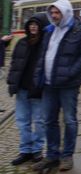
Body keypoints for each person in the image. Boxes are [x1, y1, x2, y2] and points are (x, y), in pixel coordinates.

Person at [32, 0, 81, 172]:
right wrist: (38, 75)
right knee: (49, 120)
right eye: (52, 12)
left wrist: (69, 73)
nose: (54, 15)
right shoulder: (50, 30)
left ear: (66, 12)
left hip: (68, 85)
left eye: (57, 12)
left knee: (69, 120)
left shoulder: (80, 31)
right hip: (49, 84)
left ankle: (67, 156)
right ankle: (52, 155)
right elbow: (43, 55)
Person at [7, 14, 48, 165]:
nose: (33, 27)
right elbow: (14, 65)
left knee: (39, 121)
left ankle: (37, 151)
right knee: (22, 121)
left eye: (36, 24)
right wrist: (12, 82)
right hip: (22, 88)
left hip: (38, 90)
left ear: (42, 26)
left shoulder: (46, 44)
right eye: (31, 24)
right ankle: (25, 151)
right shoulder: (22, 43)